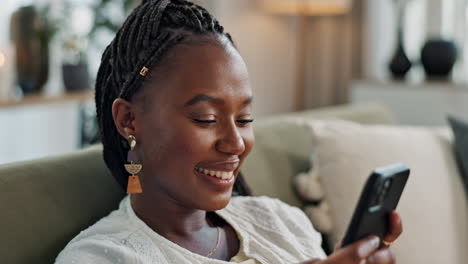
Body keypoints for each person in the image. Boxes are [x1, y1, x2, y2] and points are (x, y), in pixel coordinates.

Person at [55, 0, 402, 263]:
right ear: (129, 120)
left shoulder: (281, 221)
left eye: (245, 118)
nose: (236, 143)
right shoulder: (102, 255)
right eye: (206, 118)